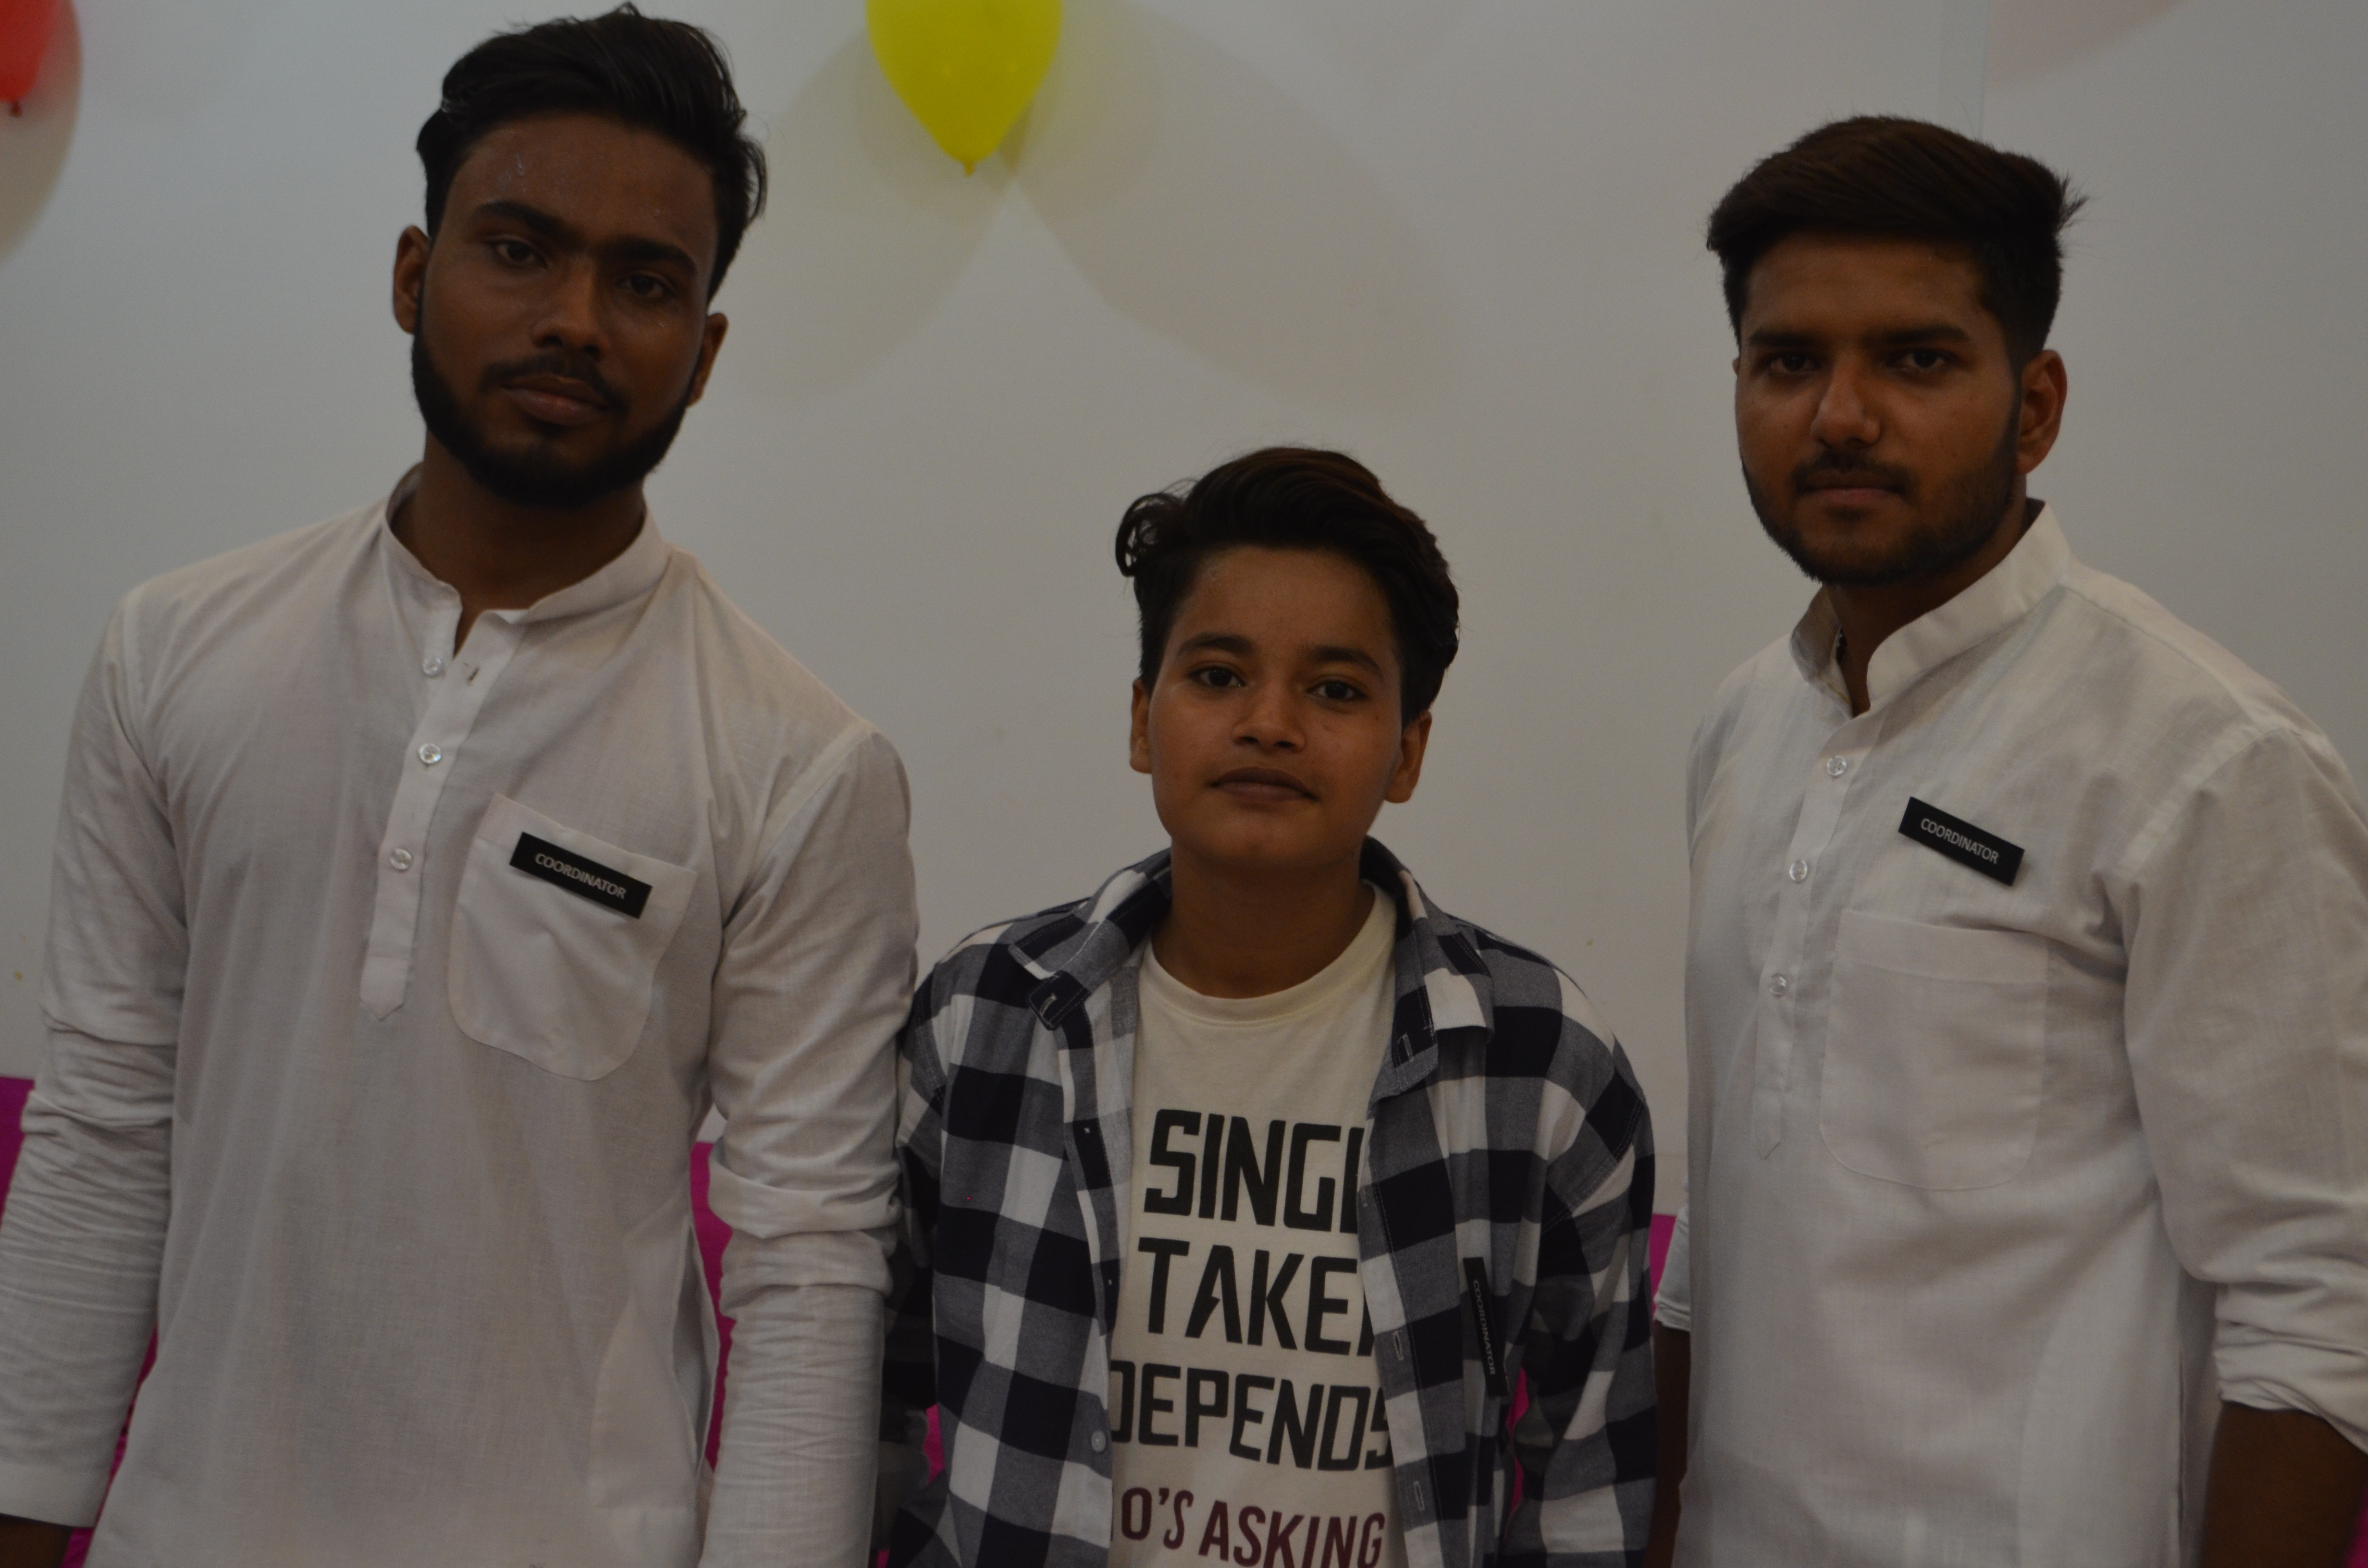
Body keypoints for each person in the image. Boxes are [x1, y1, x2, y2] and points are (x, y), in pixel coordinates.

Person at [0, 10, 915, 1566]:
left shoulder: (798, 764)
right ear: (414, 276)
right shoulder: (180, 653)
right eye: (519, 248)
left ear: (703, 352)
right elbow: (103, 1127)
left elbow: (810, 1268)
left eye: (645, 282)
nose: (574, 319)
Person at [1647, 115, 2368, 1567]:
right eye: (1788, 362)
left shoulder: (2204, 758)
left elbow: (2321, 1306)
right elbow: (1723, 1233)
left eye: (1915, 360)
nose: (1840, 415)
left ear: (2034, 408)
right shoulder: (1744, 726)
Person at [875, 448, 1658, 1568]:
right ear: (1142, 720)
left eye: (1336, 690)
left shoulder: (1538, 1064)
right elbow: (862, 1392)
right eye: (1216, 675)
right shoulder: (984, 1021)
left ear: (1408, 750)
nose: (1270, 723)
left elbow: (1589, 1481)